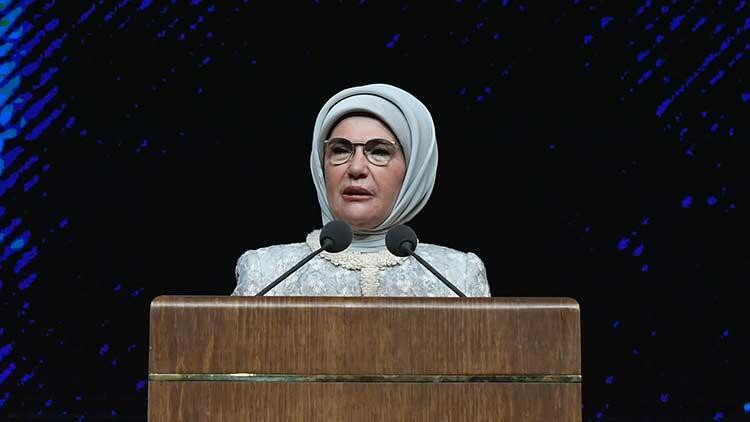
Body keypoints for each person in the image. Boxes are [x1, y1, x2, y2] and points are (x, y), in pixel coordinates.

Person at [232, 84, 491, 297]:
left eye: (379, 151)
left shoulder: (458, 276)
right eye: (340, 150)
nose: (356, 168)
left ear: (414, 170)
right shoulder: (265, 273)